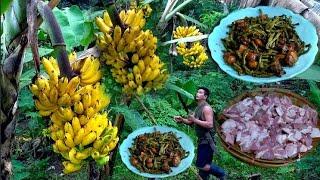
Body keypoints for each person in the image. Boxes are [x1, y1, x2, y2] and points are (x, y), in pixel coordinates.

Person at [174, 87, 226, 180]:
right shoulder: (198, 107)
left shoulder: (206, 108)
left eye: (200, 92)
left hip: (207, 141)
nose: (197, 93)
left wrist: (195, 120)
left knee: (201, 165)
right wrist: (182, 120)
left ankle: (221, 174)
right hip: (202, 140)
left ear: (205, 96)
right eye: (197, 92)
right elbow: (191, 122)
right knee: (204, 168)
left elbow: (210, 124)